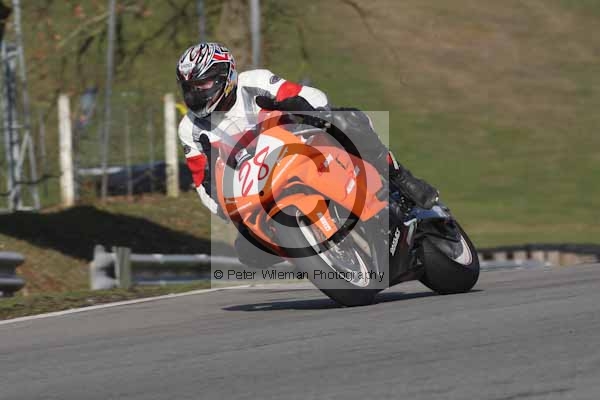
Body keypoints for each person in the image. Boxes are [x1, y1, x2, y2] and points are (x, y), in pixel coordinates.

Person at [176, 42, 438, 266]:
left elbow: (305, 95)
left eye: (202, 85)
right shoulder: (190, 129)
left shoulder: (253, 82)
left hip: (303, 144)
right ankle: (309, 255)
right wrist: (227, 210)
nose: (195, 94)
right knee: (248, 252)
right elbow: (203, 183)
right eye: (189, 88)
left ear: (226, 76)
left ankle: (399, 177)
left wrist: (311, 112)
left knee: (348, 121)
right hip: (259, 184)